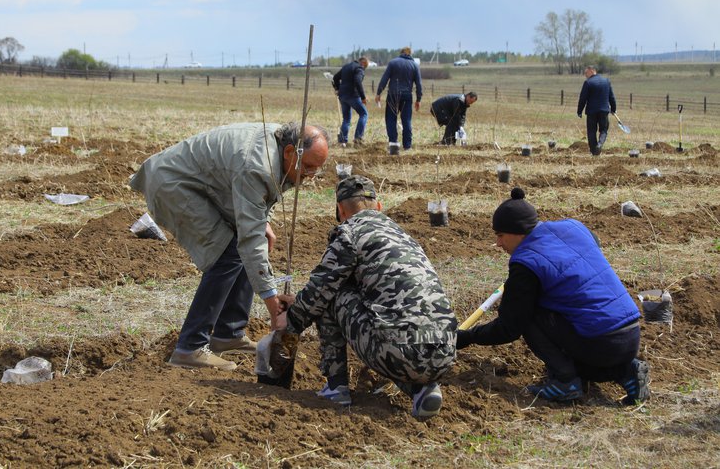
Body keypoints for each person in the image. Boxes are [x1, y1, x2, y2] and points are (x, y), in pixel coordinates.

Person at [130, 122, 330, 370]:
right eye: (308, 168)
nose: (310, 177)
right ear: (290, 152)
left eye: (316, 170)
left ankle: (228, 334)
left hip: (204, 185)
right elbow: (250, 238)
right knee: (227, 252)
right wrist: (275, 308)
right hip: (172, 184)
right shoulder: (259, 165)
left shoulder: (281, 146)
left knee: (242, 244)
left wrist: (260, 221)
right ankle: (189, 348)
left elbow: (253, 202)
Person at [277, 175, 457, 419]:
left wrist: (291, 321)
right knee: (393, 322)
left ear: (341, 210)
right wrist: (299, 301)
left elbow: (322, 289)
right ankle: (420, 389)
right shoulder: (403, 236)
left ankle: (336, 388)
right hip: (444, 350)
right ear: (379, 206)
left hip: (399, 350)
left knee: (334, 294)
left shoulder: (349, 233)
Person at [457, 187, 650, 405]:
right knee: (563, 310)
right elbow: (594, 244)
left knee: (528, 313)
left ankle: (565, 381)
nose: (498, 243)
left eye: (500, 236)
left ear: (519, 231)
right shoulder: (574, 226)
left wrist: (469, 337)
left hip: (599, 341)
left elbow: (509, 328)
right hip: (630, 334)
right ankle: (626, 370)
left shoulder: (526, 262)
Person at [375, 47, 423, 151]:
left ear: (401, 53)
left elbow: (384, 79)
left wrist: (379, 93)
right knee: (406, 120)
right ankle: (407, 146)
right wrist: (418, 99)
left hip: (393, 94)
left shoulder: (393, 63)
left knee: (391, 119)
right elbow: (419, 84)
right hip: (407, 95)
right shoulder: (415, 65)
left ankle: (393, 144)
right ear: (410, 54)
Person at [577, 65, 616, 156]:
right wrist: (613, 109)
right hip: (604, 111)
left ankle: (594, 152)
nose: (585, 75)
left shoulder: (588, 83)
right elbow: (612, 97)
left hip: (591, 112)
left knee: (591, 131)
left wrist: (579, 111)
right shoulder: (606, 81)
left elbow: (582, 98)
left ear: (592, 71)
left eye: (586, 73)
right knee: (604, 130)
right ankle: (599, 144)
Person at [333, 57, 369, 147]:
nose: (364, 69)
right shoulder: (359, 69)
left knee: (346, 119)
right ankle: (358, 139)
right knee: (364, 114)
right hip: (353, 95)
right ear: (363, 63)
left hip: (342, 96)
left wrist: (337, 89)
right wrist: (363, 97)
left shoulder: (346, 67)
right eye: (365, 67)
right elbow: (358, 81)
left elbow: (335, 77)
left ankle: (342, 141)